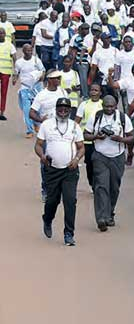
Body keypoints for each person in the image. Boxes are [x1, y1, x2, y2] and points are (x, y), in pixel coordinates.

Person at [36, 97, 84, 246]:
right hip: (52, 169)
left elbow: (81, 147)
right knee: (52, 200)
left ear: (70, 110)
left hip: (70, 170)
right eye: (60, 108)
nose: (63, 111)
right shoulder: (47, 125)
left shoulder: (75, 126)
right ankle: (47, 218)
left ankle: (69, 234)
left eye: (66, 109)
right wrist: (42, 156)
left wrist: (76, 160)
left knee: (70, 201)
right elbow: (38, 145)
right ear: (56, 109)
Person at [84, 95, 134, 232]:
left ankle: (110, 213)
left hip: (117, 157)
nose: (109, 109)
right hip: (100, 156)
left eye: (112, 106)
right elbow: (85, 134)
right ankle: (101, 218)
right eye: (106, 106)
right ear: (102, 106)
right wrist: (96, 137)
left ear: (116, 106)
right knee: (101, 186)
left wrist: (121, 139)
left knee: (114, 188)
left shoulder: (123, 118)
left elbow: (132, 136)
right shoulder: (96, 117)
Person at [0, 28, 13, 121]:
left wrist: (16, 72)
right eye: (0, 33)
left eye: (2, 33)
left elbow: (15, 57)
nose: (1, 35)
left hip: (5, 72)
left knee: (3, 93)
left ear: (5, 34)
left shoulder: (9, 45)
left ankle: (2, 112)